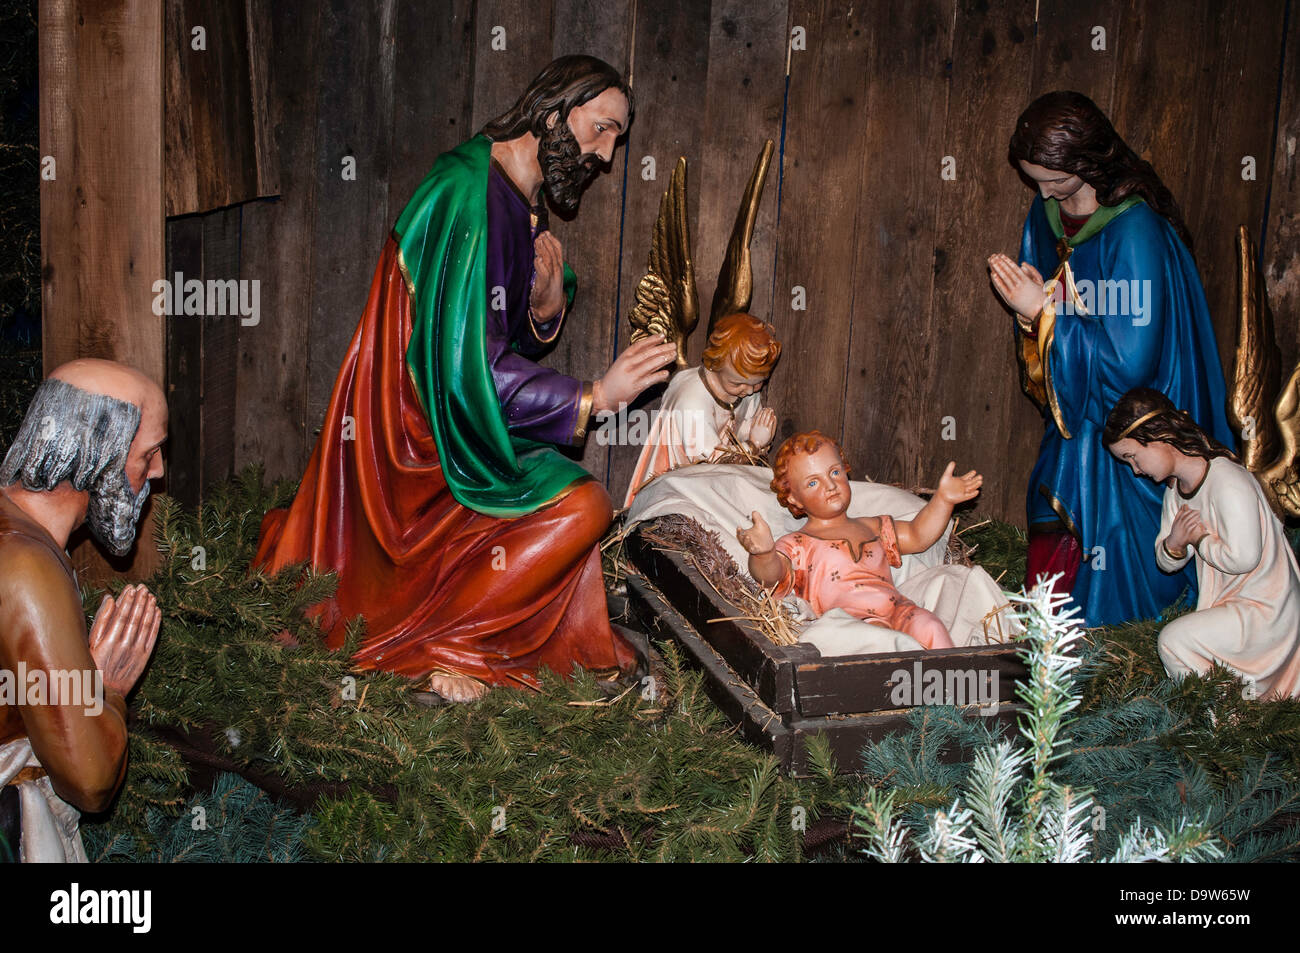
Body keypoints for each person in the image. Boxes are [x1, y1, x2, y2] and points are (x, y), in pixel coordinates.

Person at [254, 56, 676, 703]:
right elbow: (463, 369)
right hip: (414, 450)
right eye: (603, 128)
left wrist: (542, 304)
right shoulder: (469, 195)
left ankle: (460, 631)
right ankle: (443, 647)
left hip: (456, 433)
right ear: (556, 110)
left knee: (568, 500)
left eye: (616, 138)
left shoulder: (509, 195)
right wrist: (595, 396)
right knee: (583, 505)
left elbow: (492, 329)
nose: (608, 155)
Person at [988, 90, 1233, 627]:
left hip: (1129, 419)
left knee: (1113, 528)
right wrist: (1034, 314)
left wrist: (1046, 314)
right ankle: (1055, 639)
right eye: (1034, 180)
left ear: (1088, 160)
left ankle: (1118, 639)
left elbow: (1131, 365)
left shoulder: (1135, 229)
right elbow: (1046, 305)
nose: (1043, 191)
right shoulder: (1046, 211)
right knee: (1057, 496)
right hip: (1077, 404)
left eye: (1054, 179)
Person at [0, 359, 165, 862]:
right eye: (149, 453)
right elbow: (89, 780)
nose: (157, 472)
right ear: (101, 455)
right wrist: (109, 690)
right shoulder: (27, 567)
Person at [1105, 388, 1300, 698]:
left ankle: (1221, 722)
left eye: (1133, 457)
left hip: (1266, 610)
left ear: (1159, 437)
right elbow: (1165, 559)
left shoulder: (1227, 481)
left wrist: (1200, 539)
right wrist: (1176, 544)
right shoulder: (1175, 492)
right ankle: (1225, 718)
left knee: (1175, 641)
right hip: (1232, 605)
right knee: (1181, 641)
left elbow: (1245, 558)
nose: (1136, 470)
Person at [735, 431, 983, 650]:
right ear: (794, 499)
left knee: (930, 625)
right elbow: (771, 576)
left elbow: (919, 536)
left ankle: (955, 694)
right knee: (883, 642)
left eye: (834, 472)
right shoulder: (798, 543)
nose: (830, 485)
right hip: (850, 622)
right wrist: (764, 553)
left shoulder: (872, 526)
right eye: (813, 482)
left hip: (899, 610)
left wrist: (943, 500)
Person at [624, 312, 780, 507]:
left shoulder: (746, 388)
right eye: (737, 383)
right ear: (715, 366)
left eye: (759, 383)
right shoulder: (691, 399)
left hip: (720, 486)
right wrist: (754, 444)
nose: (748, 391)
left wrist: (755, 437)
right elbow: (709, 461)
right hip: (678, 493)